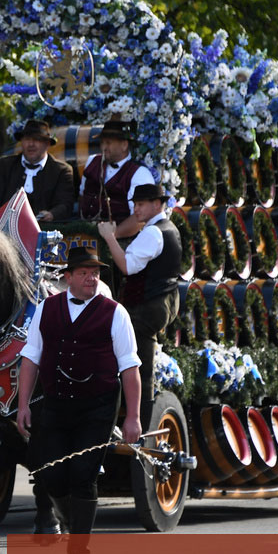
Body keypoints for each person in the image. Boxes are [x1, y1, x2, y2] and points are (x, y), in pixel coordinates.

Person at [16, 246, 141, 551]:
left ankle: (78, 548)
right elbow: (31, 359)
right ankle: (75, 525)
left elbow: (129, 366)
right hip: (56, 405)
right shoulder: (47, 308)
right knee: (52, 475)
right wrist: (22, 406)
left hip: (97, 405)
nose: (91, 278)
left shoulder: (115, 312)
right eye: (84, 273)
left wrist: (132, 417)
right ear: (67, 277)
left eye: (95, 273)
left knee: (83, 474)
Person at [97, 183, 182, 427]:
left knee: (137, 370)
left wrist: (109, 237)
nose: (136, 209)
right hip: (159, 303)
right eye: (135, 204)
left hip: (147, 309)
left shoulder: (154, 232)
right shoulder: (167, 229)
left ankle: (138, 428)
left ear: (157, 204)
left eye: (141, 204)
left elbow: (126, 266)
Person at [0, 119, 75, 222]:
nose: (31, 144)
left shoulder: (61, 170)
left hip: (45, 229)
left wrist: (52, 214)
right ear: (21, 142)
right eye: (27, 139)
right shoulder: (6, 165)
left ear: (47, 144)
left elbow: (65, 204)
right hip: (5, 227)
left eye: (37, 139)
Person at [78, 119, 155, 223]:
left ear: (124, 145)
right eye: (102, 143)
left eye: (108, 143)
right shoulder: (92, 160)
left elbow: (138, 220)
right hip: (85, 231)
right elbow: (82, 195)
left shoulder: (139, 173)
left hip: (119, 236)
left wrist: (113, 236)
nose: (103, 147)